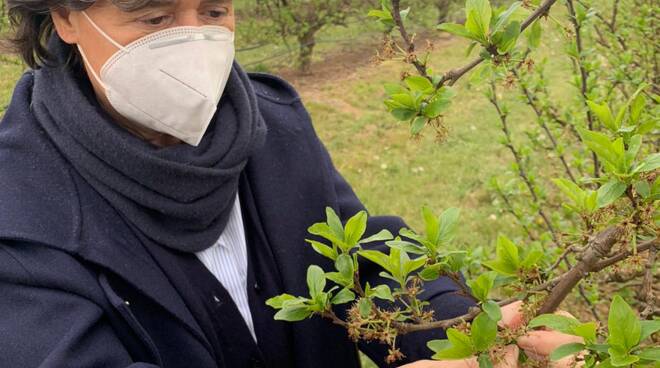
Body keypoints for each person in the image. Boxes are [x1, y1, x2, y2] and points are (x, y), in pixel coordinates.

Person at [0, 0, 580, 367]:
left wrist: (474, 335)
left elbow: (360, 264)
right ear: (67, 18)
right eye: (152, 18)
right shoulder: (19, 205)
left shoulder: (271, 124)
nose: (191, 41)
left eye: (213, 12)